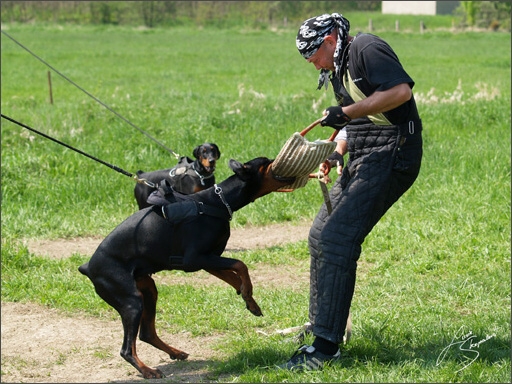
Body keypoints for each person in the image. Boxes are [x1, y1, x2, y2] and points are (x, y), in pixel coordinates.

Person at [279, 13, 423, 371]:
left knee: (337, 239)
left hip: (395, 150)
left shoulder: (365, 48)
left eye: (313, 54)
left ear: (330, 39)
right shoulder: (338, 65)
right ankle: (323, 325)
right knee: (319, 235)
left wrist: (344, 112)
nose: (312, 63)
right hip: (364, 149)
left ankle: (325, 349)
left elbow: (400, 92)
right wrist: (335, 152)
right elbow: (353, 119)